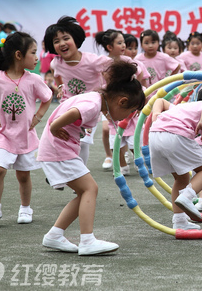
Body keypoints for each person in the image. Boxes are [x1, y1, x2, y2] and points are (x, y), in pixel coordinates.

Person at [38, 61, 145, 255]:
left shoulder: (94, 99)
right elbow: (73, 114)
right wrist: (55, 127)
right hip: (58, 151)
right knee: (90, 189)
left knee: (84, 192)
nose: (126, 117)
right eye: (129, 112)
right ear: (121, 101)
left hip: (60, 150)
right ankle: (87, 240)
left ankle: (54, 236)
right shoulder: (92, 105)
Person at [0, 32, 52, 224]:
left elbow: (47, 97)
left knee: (23, 176)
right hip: (2, 134)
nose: (37, 57)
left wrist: (38, 117)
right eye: (33, 52)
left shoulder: (34, 79)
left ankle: (26, 209)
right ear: (18, 55)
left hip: (25, 136)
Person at [149, 86, 202, 229]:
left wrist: (156, 114)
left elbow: (161, 101)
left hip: (155, 135)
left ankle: (180, 221)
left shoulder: (184, 107)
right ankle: (187, 197)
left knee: (181, 178)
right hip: (176, 135)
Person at [44, 16, 113, 165]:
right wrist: (61, 86)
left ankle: (80, 176)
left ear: (75, 39)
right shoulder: (56, 62)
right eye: (56, 41)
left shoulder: (92, 60)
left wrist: (106, 89)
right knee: (60, 137)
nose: (62, 43)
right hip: (67, 106)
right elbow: (56, 74)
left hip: (89, 108)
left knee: (83, 142)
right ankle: (65, 172)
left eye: (65, 38)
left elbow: (113, 67)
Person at [94, 29, 148, 174]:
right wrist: (106, 114)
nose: (123, 45)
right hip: (113, 108)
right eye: (120, 43)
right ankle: (122, 167)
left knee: (134, 142)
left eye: (123, 42)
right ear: (109, 47)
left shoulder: (129, 61)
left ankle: (140, 163)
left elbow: (140, 74)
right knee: (116, 143)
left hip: (128, 105)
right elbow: (100, 81)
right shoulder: (103, 63)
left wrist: (135, 92)